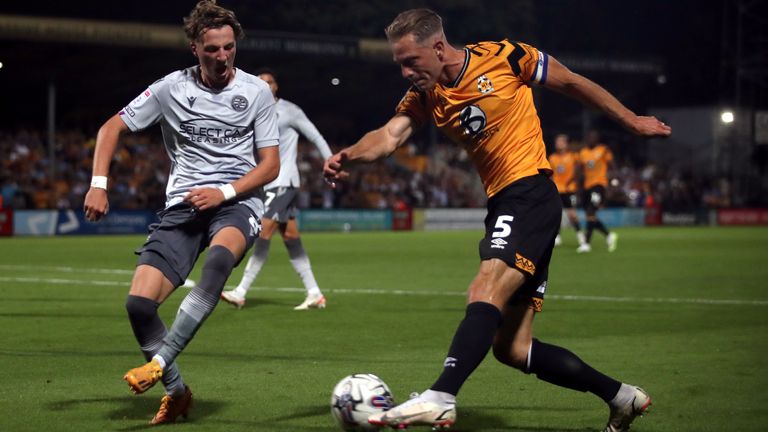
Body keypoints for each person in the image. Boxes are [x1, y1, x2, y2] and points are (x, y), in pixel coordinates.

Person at [323, 8, 671, 432]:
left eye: (410, 61)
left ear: (437, 47)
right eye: (399, 63)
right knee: (513, 348)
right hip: (509, 203)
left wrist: (631, 120)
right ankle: (622, 398)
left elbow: (573, 82)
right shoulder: (424, 97)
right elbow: (389, 136)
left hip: (528, 192)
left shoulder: (506, 57)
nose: (405, 71)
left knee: (484, 287)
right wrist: (350, 156)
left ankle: (441, 396)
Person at [83, 0, 280, 424]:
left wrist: (223, 191)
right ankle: (177, 392)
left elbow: (270, 165)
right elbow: (111, 127)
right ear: (194, 47)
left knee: (219, 264)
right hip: (183, 206)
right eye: (213, 49)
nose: (223, 57)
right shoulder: (171, 88)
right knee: (138, 305)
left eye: (229, 48)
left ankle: (159, 363)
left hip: (237, 202)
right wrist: (99, 184)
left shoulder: (256, 91)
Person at [221, 68, 332, 310]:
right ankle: (315, 293)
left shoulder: (290, 111)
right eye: (260, 82)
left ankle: (241, 291)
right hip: (266, 183)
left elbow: (316, 136)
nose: (265, 85)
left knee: (262, 232)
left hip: (284, 181)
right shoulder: (251, 111)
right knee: (291, 237)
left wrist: (331, 162)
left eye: (269, 81)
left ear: (276, 86)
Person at [578, 130, 618, 253]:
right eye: (589, 137)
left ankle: (586, 243)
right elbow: (580, 170)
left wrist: (614, 181)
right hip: (587, 187)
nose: (591, 139)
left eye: (593, 137)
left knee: (590, 211)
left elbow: (612, 165)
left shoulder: (603, 150)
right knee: (590, 215)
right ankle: (608, 235)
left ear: (597, 139)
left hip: (599, 185)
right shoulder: (583, 152)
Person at [548, 133, 586, 248]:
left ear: (566, 144)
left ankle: (580, 235)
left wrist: (574, 182)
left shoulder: (573, 156)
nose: (558, 144)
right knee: (556, 213)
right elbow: (550, 174)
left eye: (561, 141)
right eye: (557, 142)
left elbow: (579, 171)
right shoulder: (552, 158)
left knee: (572, 215)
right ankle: (557, 237)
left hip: (570, 189)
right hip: (557, 189)